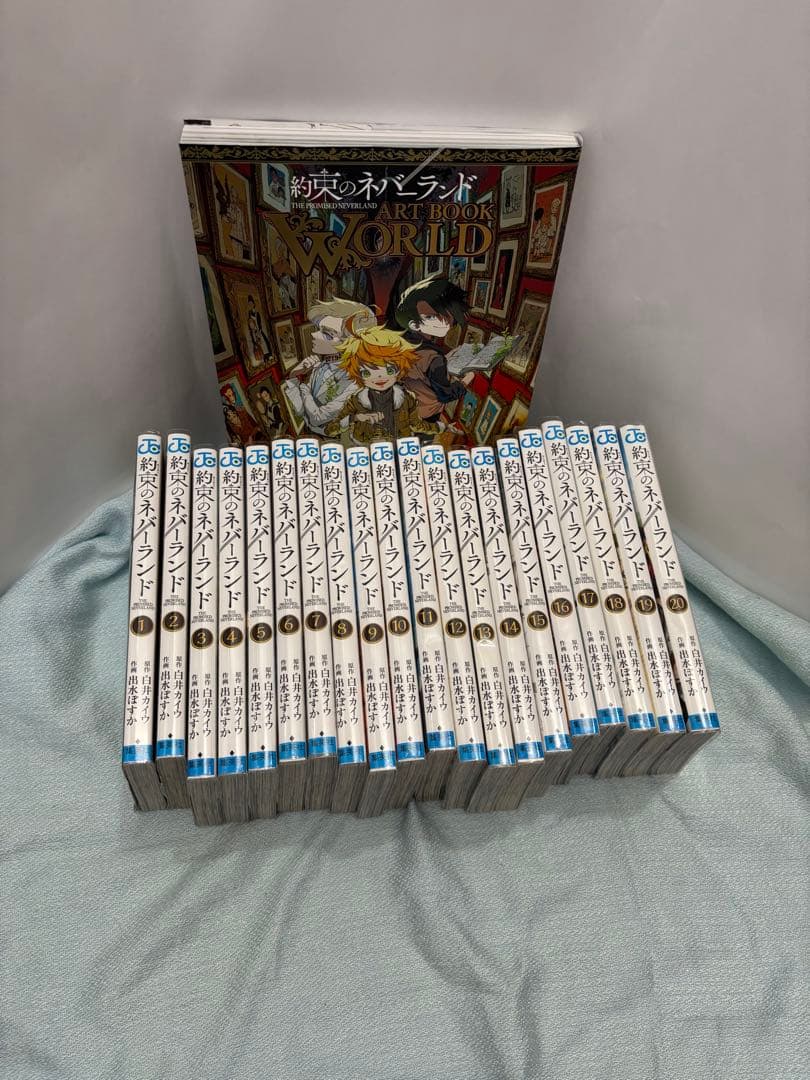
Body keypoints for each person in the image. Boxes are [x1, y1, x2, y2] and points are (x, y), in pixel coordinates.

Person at [323, 326, 447, 443]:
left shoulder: (407, 398)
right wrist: (355, 418)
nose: (379, 377)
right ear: (357, 373)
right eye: (367, 372)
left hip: (398, 448)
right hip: (366, 450)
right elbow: (330, 430)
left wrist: (442, 428)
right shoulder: (355, 400)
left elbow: (416, 425)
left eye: (390, 370)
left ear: (400, 369)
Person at [285, 297, 378, 436]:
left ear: (351, 344)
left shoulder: (355, 381)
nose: (314, 334)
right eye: (318, 329)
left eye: (327, 334)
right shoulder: (320, 366)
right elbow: (300, 412)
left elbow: (316, 418)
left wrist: (303, 388)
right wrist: (293, 376)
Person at [394, 276, 474, 422]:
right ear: (414, 324)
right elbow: (445, 395)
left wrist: (446, 359)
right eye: (431, 317)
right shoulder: (435, 358)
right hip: (426, 414)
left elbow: (421, 368)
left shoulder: (405, 343)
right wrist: (465, 381)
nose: (444, 321)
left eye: (447, 314)